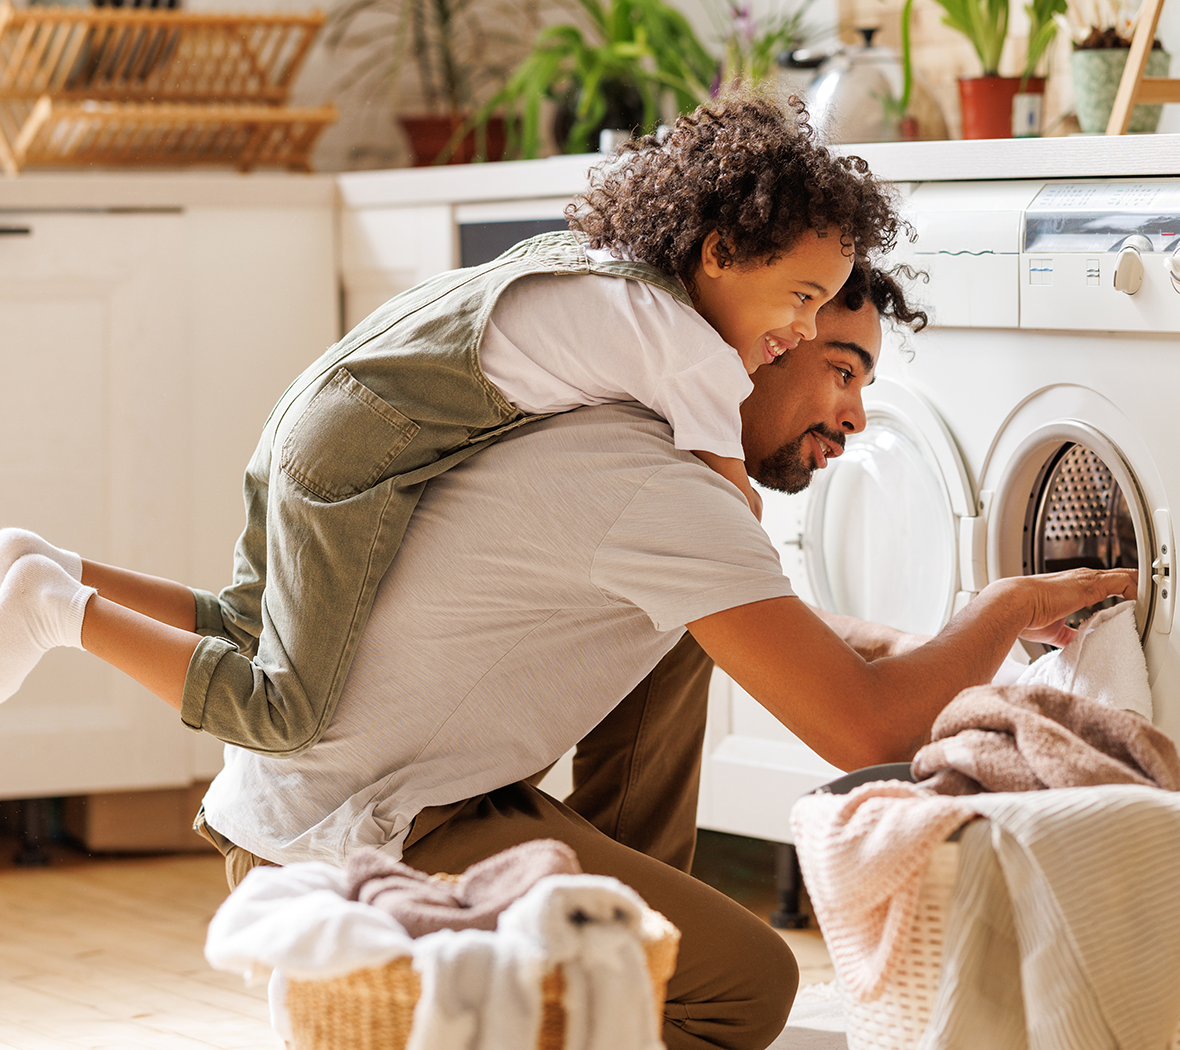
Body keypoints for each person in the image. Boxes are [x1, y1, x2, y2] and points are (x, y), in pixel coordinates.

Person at [0, 263, 1134, 1050]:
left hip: (361, 795)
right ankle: (612, 982)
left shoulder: (630, 443)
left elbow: (771, 634)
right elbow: (870, 732)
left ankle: (619, 948)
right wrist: (1003, 608)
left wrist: (930, 641)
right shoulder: (654, 490)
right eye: (836, 366)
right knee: (748, 990)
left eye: (867, 385)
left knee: (694, 644)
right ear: (764, 342)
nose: (853, 413)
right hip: (373, 831)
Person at [0, 93, 903, 759]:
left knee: (245, 623)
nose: (796, 329)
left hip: (313, 416)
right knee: (284, 713)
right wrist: (838, 642)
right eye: (801, 300)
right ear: (721, 252)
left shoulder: (613, 275)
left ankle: (48, 562)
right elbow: (729, 517)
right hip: (357, 455)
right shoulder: (687, 350)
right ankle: (56, 609)